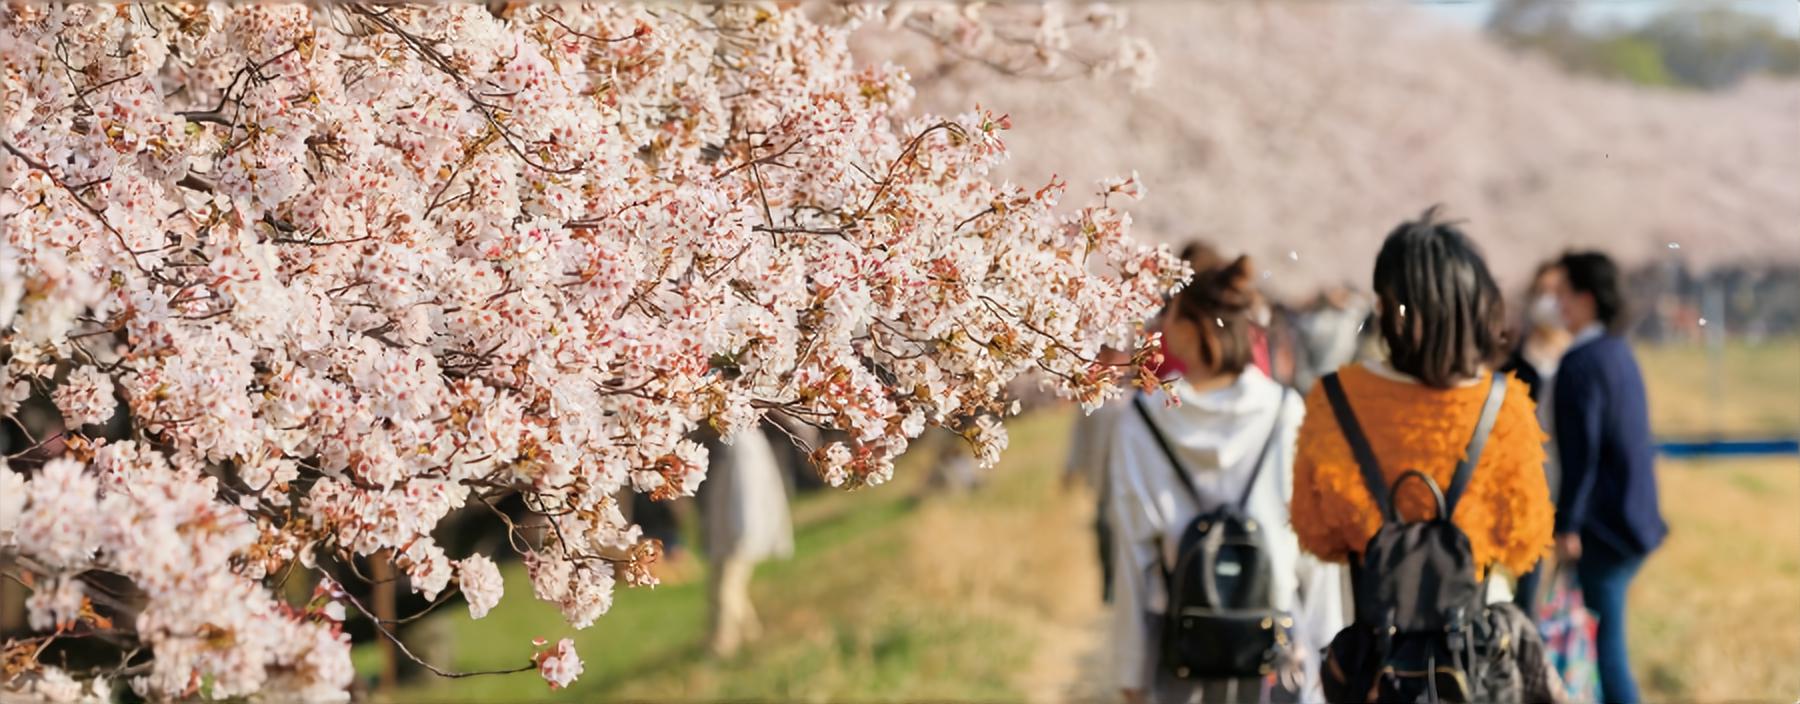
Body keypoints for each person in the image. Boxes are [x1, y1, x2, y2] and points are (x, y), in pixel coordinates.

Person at [1290, 208, 1557, 696]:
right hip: (1474, 666)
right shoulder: (1505, 405)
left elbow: (1317, 533)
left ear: (1387, 305)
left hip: (1377, 666)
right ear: (1475, 305)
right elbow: (1526, 540)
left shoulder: (1334, 400)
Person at [1107, 244, 1344, 704]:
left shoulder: (1142, 420)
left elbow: (1134, 554)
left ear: (1197, 331)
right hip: (1274, 640)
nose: (1161, 325)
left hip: (1178, 642)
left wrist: (1131, 673)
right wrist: (1326, 650)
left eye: (1171, 314)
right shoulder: (1284, 411)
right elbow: (1314, 549)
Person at [1547, 250, 1666, 704]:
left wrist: (1568, 525)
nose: (1557, 305)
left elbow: (1582, 457)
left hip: (1603, 530)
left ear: (1587, 298)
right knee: (1605, 638)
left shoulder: (1580, 364)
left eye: (1563, 294)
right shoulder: (1618, 352)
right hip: (1634, 520)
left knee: (1604, 646)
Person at [1500, 261, 1575, 612]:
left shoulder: (1579, 362)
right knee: (1523, 600)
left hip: (1568, 489)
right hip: (1522, 493)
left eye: (1556, 293)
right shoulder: (1511, 364)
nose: (1549, 302)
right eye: (1542, 292)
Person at [698, 423, 795, 658]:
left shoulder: (742, 444)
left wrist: (743, 534)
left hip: (738, 535)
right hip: (730, 533)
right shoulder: (738, 441)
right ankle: (752, 635)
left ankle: (723, 643)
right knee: (730, 588)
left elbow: (746, 494)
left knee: (724, 590)